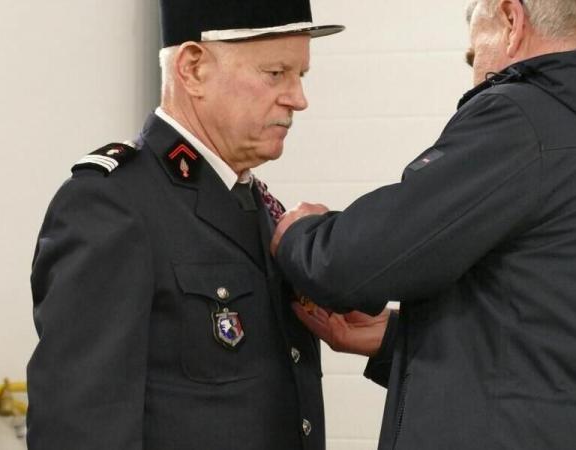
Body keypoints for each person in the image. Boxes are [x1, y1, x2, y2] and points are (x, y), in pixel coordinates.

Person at [271, 0, 576, 449]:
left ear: (512, 20)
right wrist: (401, 339)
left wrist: (300, 233)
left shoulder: (526, 117)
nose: (475, 76)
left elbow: (353, 264)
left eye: (475, 57)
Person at [27, 1, 343, 449]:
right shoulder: (113, 206)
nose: (298, 98)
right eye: (276, 73)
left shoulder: (257, 205)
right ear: (193, 69)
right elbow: (80, 430)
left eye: (301, 76)